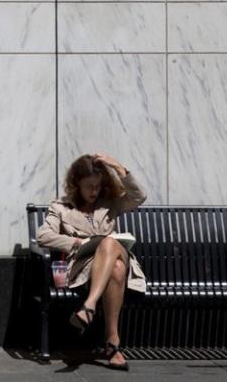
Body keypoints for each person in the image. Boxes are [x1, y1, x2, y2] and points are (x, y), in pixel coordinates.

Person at [36, 153, 147, 372]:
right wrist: (76, 242)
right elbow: (43, 236)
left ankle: (89, 306)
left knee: (110, 244)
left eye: (98, 186)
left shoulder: (110, 203)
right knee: (116, 269)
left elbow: (139, 196)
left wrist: (116, 165)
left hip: (119, 254)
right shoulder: (61, 207)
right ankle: (113, 345)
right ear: (76, 183)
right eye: (89, 186)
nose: (94, 192)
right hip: (87, 267)